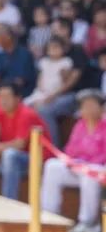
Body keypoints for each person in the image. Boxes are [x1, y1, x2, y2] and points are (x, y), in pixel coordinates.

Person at [41, 89, 106, 232]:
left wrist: (85, 165)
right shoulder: (79, 125)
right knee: (52, 166)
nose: (87, 109)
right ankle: (49, 213)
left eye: (91, 105)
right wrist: (71, 161)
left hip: (96, 171)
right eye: (84, 105)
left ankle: (87, 222)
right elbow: (70, 149)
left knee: (91, 174)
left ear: (101, 108)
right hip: (77, 168)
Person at [0, 82, 46, 199]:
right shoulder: (0, 111)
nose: (3, 100)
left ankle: (8, 200)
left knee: (9, 154)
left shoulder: (26, 114)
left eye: (7, 97)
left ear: (17, 99)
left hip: (34, 160)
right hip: (9, 156)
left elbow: (19, 144)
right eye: (0, 97)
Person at [36, 18, 95, 146]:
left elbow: (72, 81)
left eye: (56, 30)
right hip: (50, 92)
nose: (53, 33)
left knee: (45, 111)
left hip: (74, 95)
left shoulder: (77, 50)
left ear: (66, 30)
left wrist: (52, 95)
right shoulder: (50, 49)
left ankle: (53, 149)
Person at [25, 37, 73, 110]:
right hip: (42, 91)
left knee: (40, 107)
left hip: (56, 92)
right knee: (25, 104)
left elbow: (65, 81)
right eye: (51, 48)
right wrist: (40, 89)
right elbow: (40, 77)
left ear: (63, 49)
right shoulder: (44, 61)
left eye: (56, 47)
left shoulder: (66, 61)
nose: (53, 50)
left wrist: (63, 72)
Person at [0, 24, 37, 98]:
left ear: (8, 37)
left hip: (21, 93)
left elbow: (20, 81)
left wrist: (2, 89)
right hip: (4, 92)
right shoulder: (1, 55)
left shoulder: (24, 54)